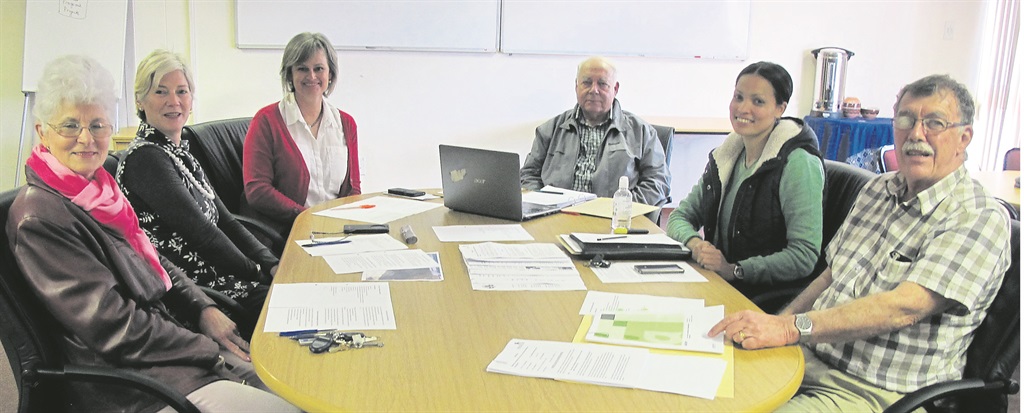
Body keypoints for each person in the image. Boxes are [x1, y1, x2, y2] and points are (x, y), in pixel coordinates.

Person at [7, 55, 298, 413]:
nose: (86, 138)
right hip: (133, 383)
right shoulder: (40, 217)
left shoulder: (99, 190)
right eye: (70, 125)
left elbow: (152, 259)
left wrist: (202, 307)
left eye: (97, 125)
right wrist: (203, 345)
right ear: (42, 132)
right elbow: (115, 329)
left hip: (168, 349)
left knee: (295, 387)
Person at [709, 74, 1012, 412]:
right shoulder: (878, 190)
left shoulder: (977, 216)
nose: (916, 134)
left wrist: (791, 328)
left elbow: (904, 308)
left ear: (964, 138)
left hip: (873, 392)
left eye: (934, 123)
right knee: (699, 390)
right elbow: (830, 276)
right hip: (807, 356)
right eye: (906, 120)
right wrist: (779, 324)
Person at [117, 50, 278, 336]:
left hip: (221, 274)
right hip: (198, 293)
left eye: (182, 91)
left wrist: (272, 263)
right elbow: (203, 235)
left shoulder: (180, 151)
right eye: (161, 92)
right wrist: (259, 272)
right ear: (140, 100)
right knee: (291, 307)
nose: (174, 101)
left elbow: (226, 220)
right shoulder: (146, 159)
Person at [666, 62, 824, 298]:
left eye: (758, 101)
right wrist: (697, 245)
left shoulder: (799, 164)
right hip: (719, 283)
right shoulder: (728, 155)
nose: (742, 108)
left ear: (780, 109)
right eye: (738, 97)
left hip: (764, 298)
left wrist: (735, 270)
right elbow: (679, 216)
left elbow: (804, 256)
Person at [243, 32, 360, 235]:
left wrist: (341, 225)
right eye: (302, 69)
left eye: (319, 69)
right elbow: (257, 190)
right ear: (290, 74)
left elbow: (353, 189)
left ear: (330, 74)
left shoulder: (346, 124)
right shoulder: (266, 121)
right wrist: (307, 217)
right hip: (288, 231)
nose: (312, 76)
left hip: (336, 231)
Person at [520, 56, 670, 207]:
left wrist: (621, 207)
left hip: (615, 217)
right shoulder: (550, 130)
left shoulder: (641, 132)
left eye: (602, 84)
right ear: (576, 86)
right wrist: (544, 205)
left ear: (615, 89)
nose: (594, 90)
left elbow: (658, 182)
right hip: (557, 214)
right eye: (586, 83)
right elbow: (528, 175)